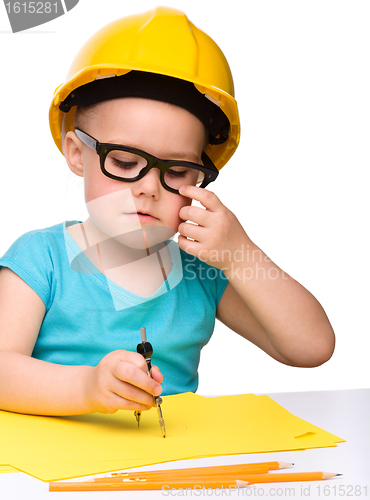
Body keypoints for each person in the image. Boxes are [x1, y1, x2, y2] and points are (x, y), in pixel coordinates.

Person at [0, 7, 335, 417]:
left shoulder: (201, 272)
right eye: (124, 162)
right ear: (76, 154)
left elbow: (311, 348)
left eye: (176, 171)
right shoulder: (41, 260)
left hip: (168, 473)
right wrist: (86, 388)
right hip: (54, 475)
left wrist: (239, 253)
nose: (148, 188)